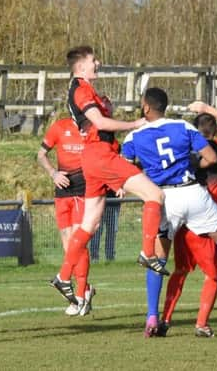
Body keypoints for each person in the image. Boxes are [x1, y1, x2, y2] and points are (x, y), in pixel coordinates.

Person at [49, 45, 166, 314]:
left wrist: (107, 109)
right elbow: (99, 124)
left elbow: (98, 121)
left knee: (90, 222)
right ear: (80, 68)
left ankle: (63, 277)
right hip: (100, 156)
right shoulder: (81, 88)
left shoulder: (87, 91)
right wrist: (135, 124)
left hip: (93, 159)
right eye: (93, 61)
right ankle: (148, 252)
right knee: (155, 195)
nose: (98, 63)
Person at [121, 88, 217, 336]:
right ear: (165, 106)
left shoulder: (133, 137)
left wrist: (146, 173)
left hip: (165, 198)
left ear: (146, 107)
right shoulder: (183, 127)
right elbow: (210, 158)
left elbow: (125, 170)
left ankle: (152, 317)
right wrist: (189, 164)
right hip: (192, 192)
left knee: (158, 259)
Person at [157, 101, 217, 337]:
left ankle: (164, 319)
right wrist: (207, 108)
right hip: (208, 223)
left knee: (180, 271)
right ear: (215, 131)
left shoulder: (186, 153)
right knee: (212, 275)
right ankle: (201, 323)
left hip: (183, 221)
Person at [37, 114, 94, 316]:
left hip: (83, 192)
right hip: (62, 194)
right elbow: (41, 154)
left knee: (78, 243)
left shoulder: (93, 128)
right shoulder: (59, 127)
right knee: (68, 247)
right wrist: (54, 174)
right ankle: (85, 291)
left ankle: (79, 297)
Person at [90, 191, 121, 262]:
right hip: (98, 203)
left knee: (112, 231)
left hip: (114, 203)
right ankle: (94, 258)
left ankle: (110, 258)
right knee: (97, 231)